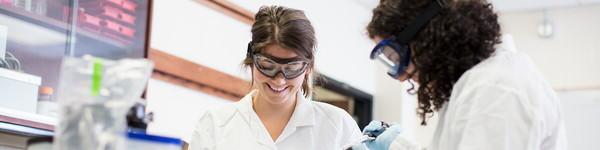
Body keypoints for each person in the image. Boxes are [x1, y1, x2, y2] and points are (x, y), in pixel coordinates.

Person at [352, 0, 568, 149]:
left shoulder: (496, 90)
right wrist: (397, 146)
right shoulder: (481, 82)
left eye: (395, 56)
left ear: (430, 39)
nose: (401, 76)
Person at [189, 5, 362, 150]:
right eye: (267, 66)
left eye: (292, 68)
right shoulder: (215, 125)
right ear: (251, 60)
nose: (279, 80)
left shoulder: (338, 126)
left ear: (308, 67)